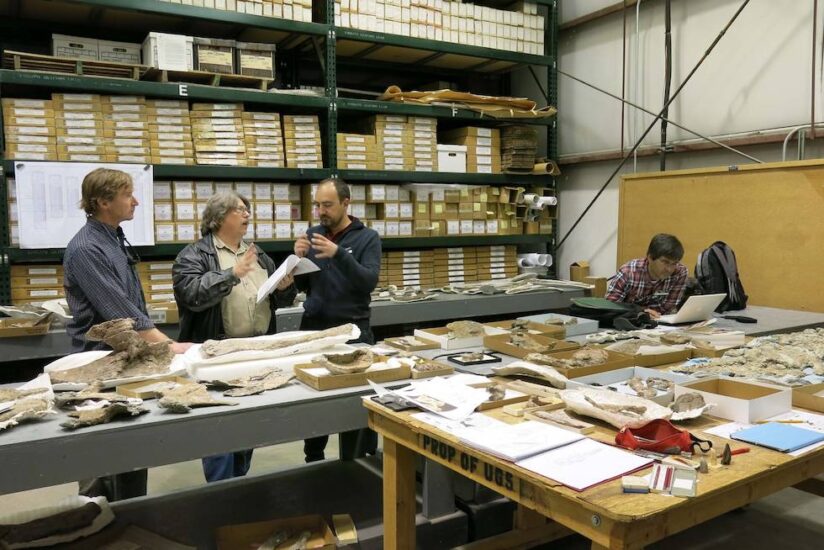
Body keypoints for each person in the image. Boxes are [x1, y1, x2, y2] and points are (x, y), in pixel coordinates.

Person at [63, 167, 191, 501]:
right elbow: (119, 311)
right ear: (103, 201)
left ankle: (131, 517)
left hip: (127, 359)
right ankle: (93, 523)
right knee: (99, 452)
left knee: (132, 447)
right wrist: (168, 345)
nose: (135, 201)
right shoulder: (87, 249)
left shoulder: (112, 238)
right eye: (127, 195)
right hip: (99, 365)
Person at [173, 191, 297, 482]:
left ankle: (239, 483)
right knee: (218, 429)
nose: (247, 215)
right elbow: (191, 295)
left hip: (256, 352)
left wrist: (284, 288)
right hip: (217, 356)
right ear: (219, 217)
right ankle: (221, 493)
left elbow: (280, 300)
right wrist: (232, 274)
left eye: (247, 210)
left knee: (247, 427)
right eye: (240, 210)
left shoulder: (258, 253)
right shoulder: (193, 254)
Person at [294, 177, 381, 462]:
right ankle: (313, 460)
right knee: (313, 406)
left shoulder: (367, 238)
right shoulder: (312, 233)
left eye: (328, 205)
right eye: (318, 205)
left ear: (346, 203)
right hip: (315, 331)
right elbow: (304, 286)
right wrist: (295, 262)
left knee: (356, 406)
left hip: (353, 334)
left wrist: (339, 254)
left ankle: (361, 461)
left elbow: (368, 281)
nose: (321, 211)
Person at [605, 233, 688, 319]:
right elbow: (609, 307)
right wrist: (640, 312)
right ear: (650, 257)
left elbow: (668, 307)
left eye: (674, 263)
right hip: (628, 322)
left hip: (660, 324)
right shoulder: (628, 272)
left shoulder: (680, 273)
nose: (669, 269)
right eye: (665, 262)